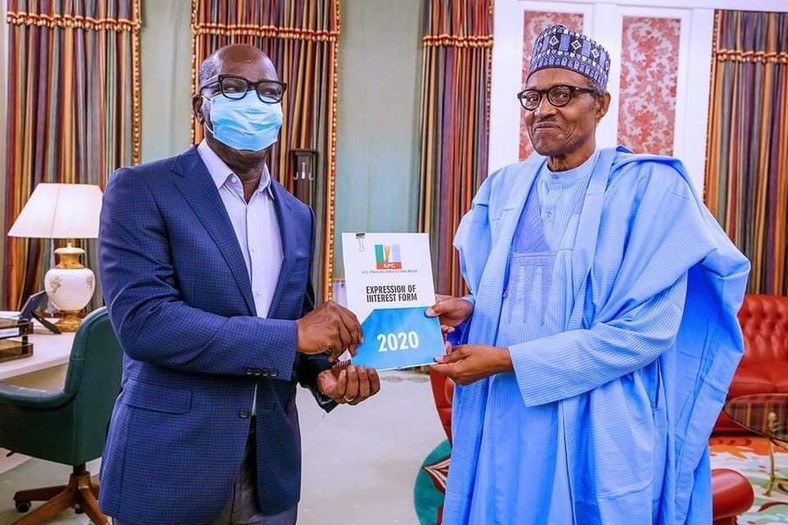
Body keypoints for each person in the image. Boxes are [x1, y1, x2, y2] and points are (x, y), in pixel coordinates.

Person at [428, 24, 749, 524]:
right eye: (532, 96)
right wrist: (472, 307)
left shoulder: (651, 191)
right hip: (509, 410)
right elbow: (518, 296)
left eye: (563, 93)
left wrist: (509, 359)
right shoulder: (505, 189)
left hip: (600, 414)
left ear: (601, 103)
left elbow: (644, 334)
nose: (543, 109)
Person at [98, 44, 380, 525]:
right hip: (171, 462)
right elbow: (145, 323)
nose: (254, 102)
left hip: (269, 468)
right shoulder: (142, 189)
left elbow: (297, 322)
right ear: (200, 105)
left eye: (269, 92)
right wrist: (294, 336)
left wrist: (324, 378)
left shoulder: (297, 214)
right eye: (233, 88)